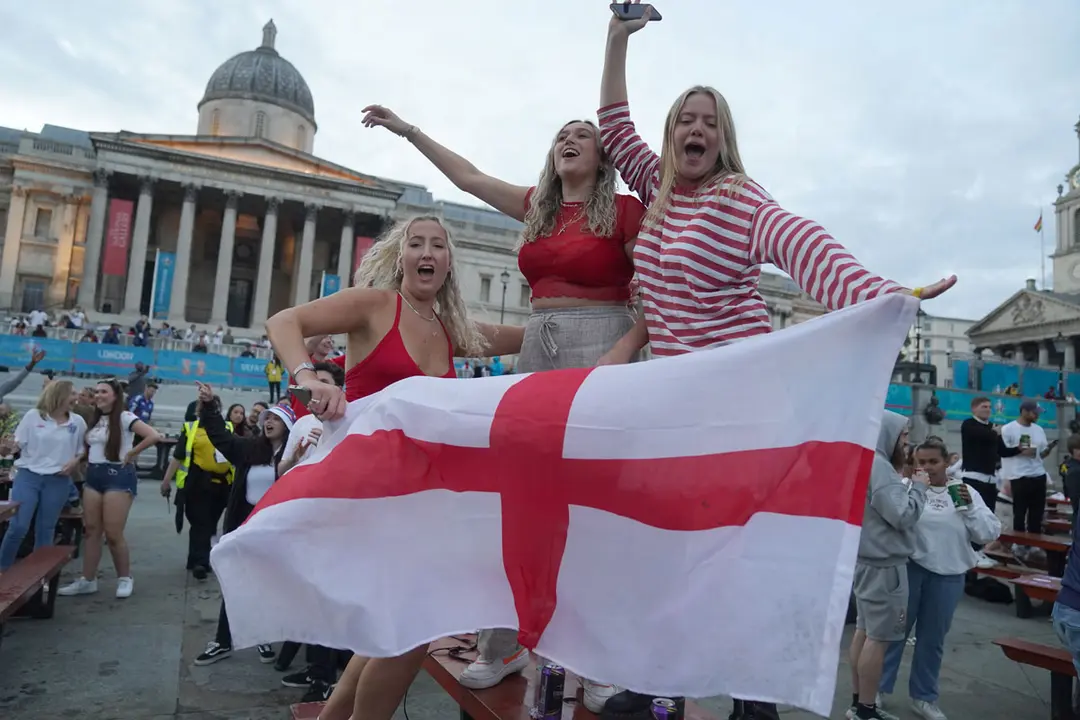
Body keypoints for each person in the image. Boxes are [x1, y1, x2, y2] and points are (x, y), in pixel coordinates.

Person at [595, 6, 954, 719]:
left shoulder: (739, 198)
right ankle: (657, 676)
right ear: (670, 139)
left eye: (710, 122)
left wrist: (883, 294)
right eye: (685, 121)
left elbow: (804, 244)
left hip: (744, 406)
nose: (696, 130)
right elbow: (613, 127)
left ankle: (752, 699)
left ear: (725, 140)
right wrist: (616, 37)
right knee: (670, 549)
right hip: (679, 408)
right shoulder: (658, 189)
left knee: (736, 558)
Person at [361, 102, 646, 708]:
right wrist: (410, 130)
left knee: (592, 505)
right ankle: (504, 643)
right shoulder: (537, 210)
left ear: (604, 157)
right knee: (513, 496)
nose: (571, 139)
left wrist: (623, 351)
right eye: (563, 134)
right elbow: (467, 178)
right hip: (539, 353)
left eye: (584, 135)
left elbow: (655, 288)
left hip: (602, 348)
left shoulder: (626, 211)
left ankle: (595, 660)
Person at [265, 214, 524, 720]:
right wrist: (309, 377)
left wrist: (612, 314)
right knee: (410, 630)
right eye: (416, 244)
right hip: (372, 490)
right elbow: (283, 322)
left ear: (449, 264)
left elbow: (528, 334)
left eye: (438, 246)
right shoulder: (375, 304)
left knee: (393, 627)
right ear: (399, 256)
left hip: (420, 497)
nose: (427, 253)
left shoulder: (453, 328)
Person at [877, 439, 999, 720]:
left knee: (932, 641)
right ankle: (879, 689)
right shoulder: (907, 489)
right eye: (921, 462)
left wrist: (968, 509)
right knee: (894, 634)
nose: (927, 468)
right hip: (911, 571)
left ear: (947, 461)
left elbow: (987, 534)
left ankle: (923, 697)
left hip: (950, 575)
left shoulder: (964, 490)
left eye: (933, 462)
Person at [193, 382, 293, 667]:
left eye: (275, 418)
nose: (269, 422)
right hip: (244, 525)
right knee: (234, 581)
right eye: (266, 418)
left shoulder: (297, 455)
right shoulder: (249, 448)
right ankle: (223, 641)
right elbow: (219, 437)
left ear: (288, 425)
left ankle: (262, 636)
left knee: (267, 585)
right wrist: (211, 406)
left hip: (276, 531)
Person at [845, 413, 927, 720]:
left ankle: (858, 704)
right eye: (903, 435)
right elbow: (902, 515)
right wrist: (918, 488)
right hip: (886, 567)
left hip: (867, 561)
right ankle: (867, 709)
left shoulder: (866, 462)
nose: (906, 442)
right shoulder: (880, 469)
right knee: (878, 639)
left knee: (864, 632)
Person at [58, 378, 162, 598]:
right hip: (94, 477)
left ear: (115, 396)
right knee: (91, 531)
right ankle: (88, 580)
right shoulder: (94, 419)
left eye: (103, 391)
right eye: (96, 392)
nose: (98, 395)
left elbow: (153, 435)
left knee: (113, 534)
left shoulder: (124, 417)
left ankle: (125, 577)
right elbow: (88, 447)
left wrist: (132, 453)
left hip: (118, 476)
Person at [0, 380, 86, 572]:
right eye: (72, 393)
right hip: (29, 476)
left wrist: (74, 462)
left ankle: (38, 575)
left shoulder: (77, 422)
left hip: (58, 480)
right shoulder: (33, 416)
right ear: (59, 395)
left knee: (46, 529)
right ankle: (2, 568)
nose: (76, 397)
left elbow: (81, 450)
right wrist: (6, 447)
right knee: (18, 527)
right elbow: (16, 445)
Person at [160, 390, 237, 580]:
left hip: (222, 485)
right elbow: (178, 456)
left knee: (209, 524)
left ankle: (194, 558)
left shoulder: (227, 427)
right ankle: (201, 562)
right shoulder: (190, 428)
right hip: (198, 484)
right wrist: (166, 480)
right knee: (200, 522)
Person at [999, 400, 1057, 549]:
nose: (1037, 415)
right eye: (1034, 412)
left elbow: (1041, 454)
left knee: (1036, 513)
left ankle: (1035, 544)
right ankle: (1019, 544)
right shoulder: (1009, 429)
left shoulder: (1038, 429)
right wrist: (1019, 451)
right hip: (1019, 476)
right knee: (1020, 512)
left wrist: (1049, 449)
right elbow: (1002, 452)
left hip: (1038, 473)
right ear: (1024, 411)